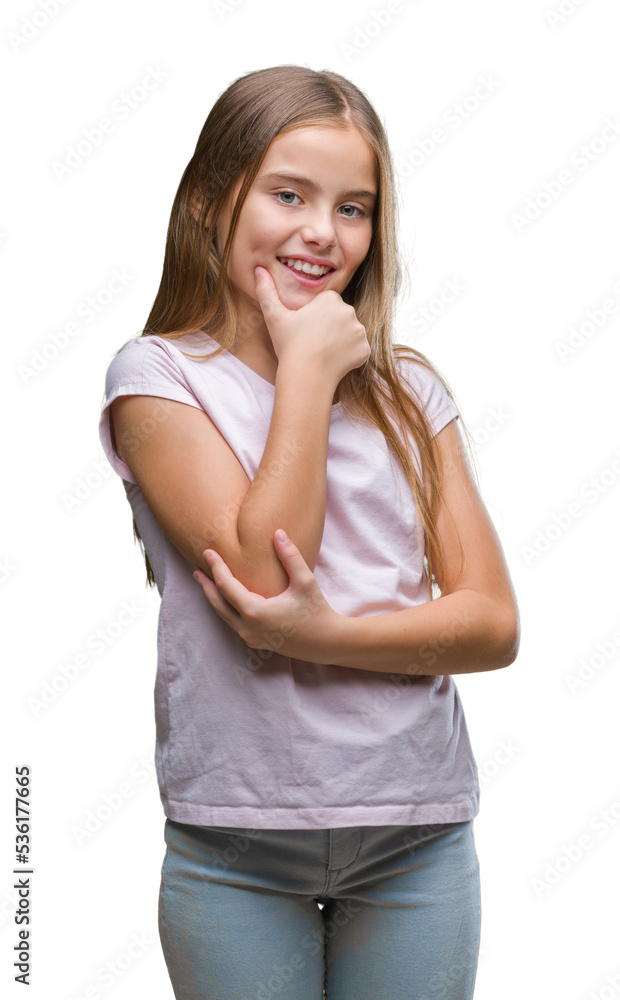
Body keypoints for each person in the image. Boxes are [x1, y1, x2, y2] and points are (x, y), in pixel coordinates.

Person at [98, 64, 519, 1000]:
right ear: (208, 200)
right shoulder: (158, 378)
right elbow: (260, 569)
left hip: (415, 837)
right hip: (236, 848)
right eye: (289, 195)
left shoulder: (410, 392)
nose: (324, 231)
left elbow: (492, 624)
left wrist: (322, 635)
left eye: (353, 208)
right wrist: (308, 371)